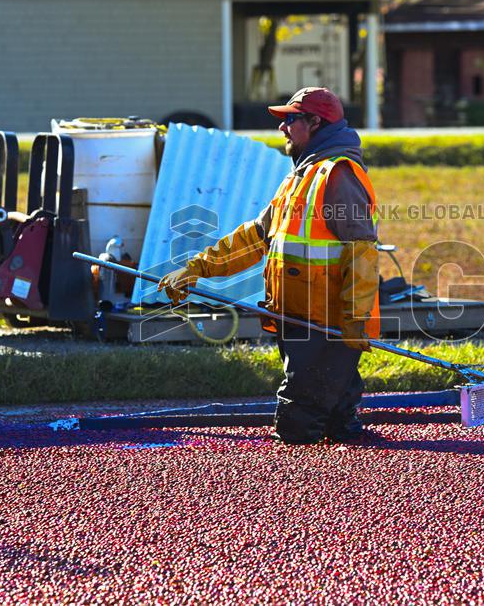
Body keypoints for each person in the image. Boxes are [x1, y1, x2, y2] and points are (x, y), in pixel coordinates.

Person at [158, 87, 379, 444]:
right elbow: (257, 236)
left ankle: (307, 489)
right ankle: (346, 444)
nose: (282, 128)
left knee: (298, 422)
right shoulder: (300, 178)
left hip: (325, 323)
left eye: (290, 120)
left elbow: (362, 252)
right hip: (298, 316)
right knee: (336, 413)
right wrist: (197, 269)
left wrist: (354, 317)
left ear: (315, 122)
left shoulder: (336, 175)